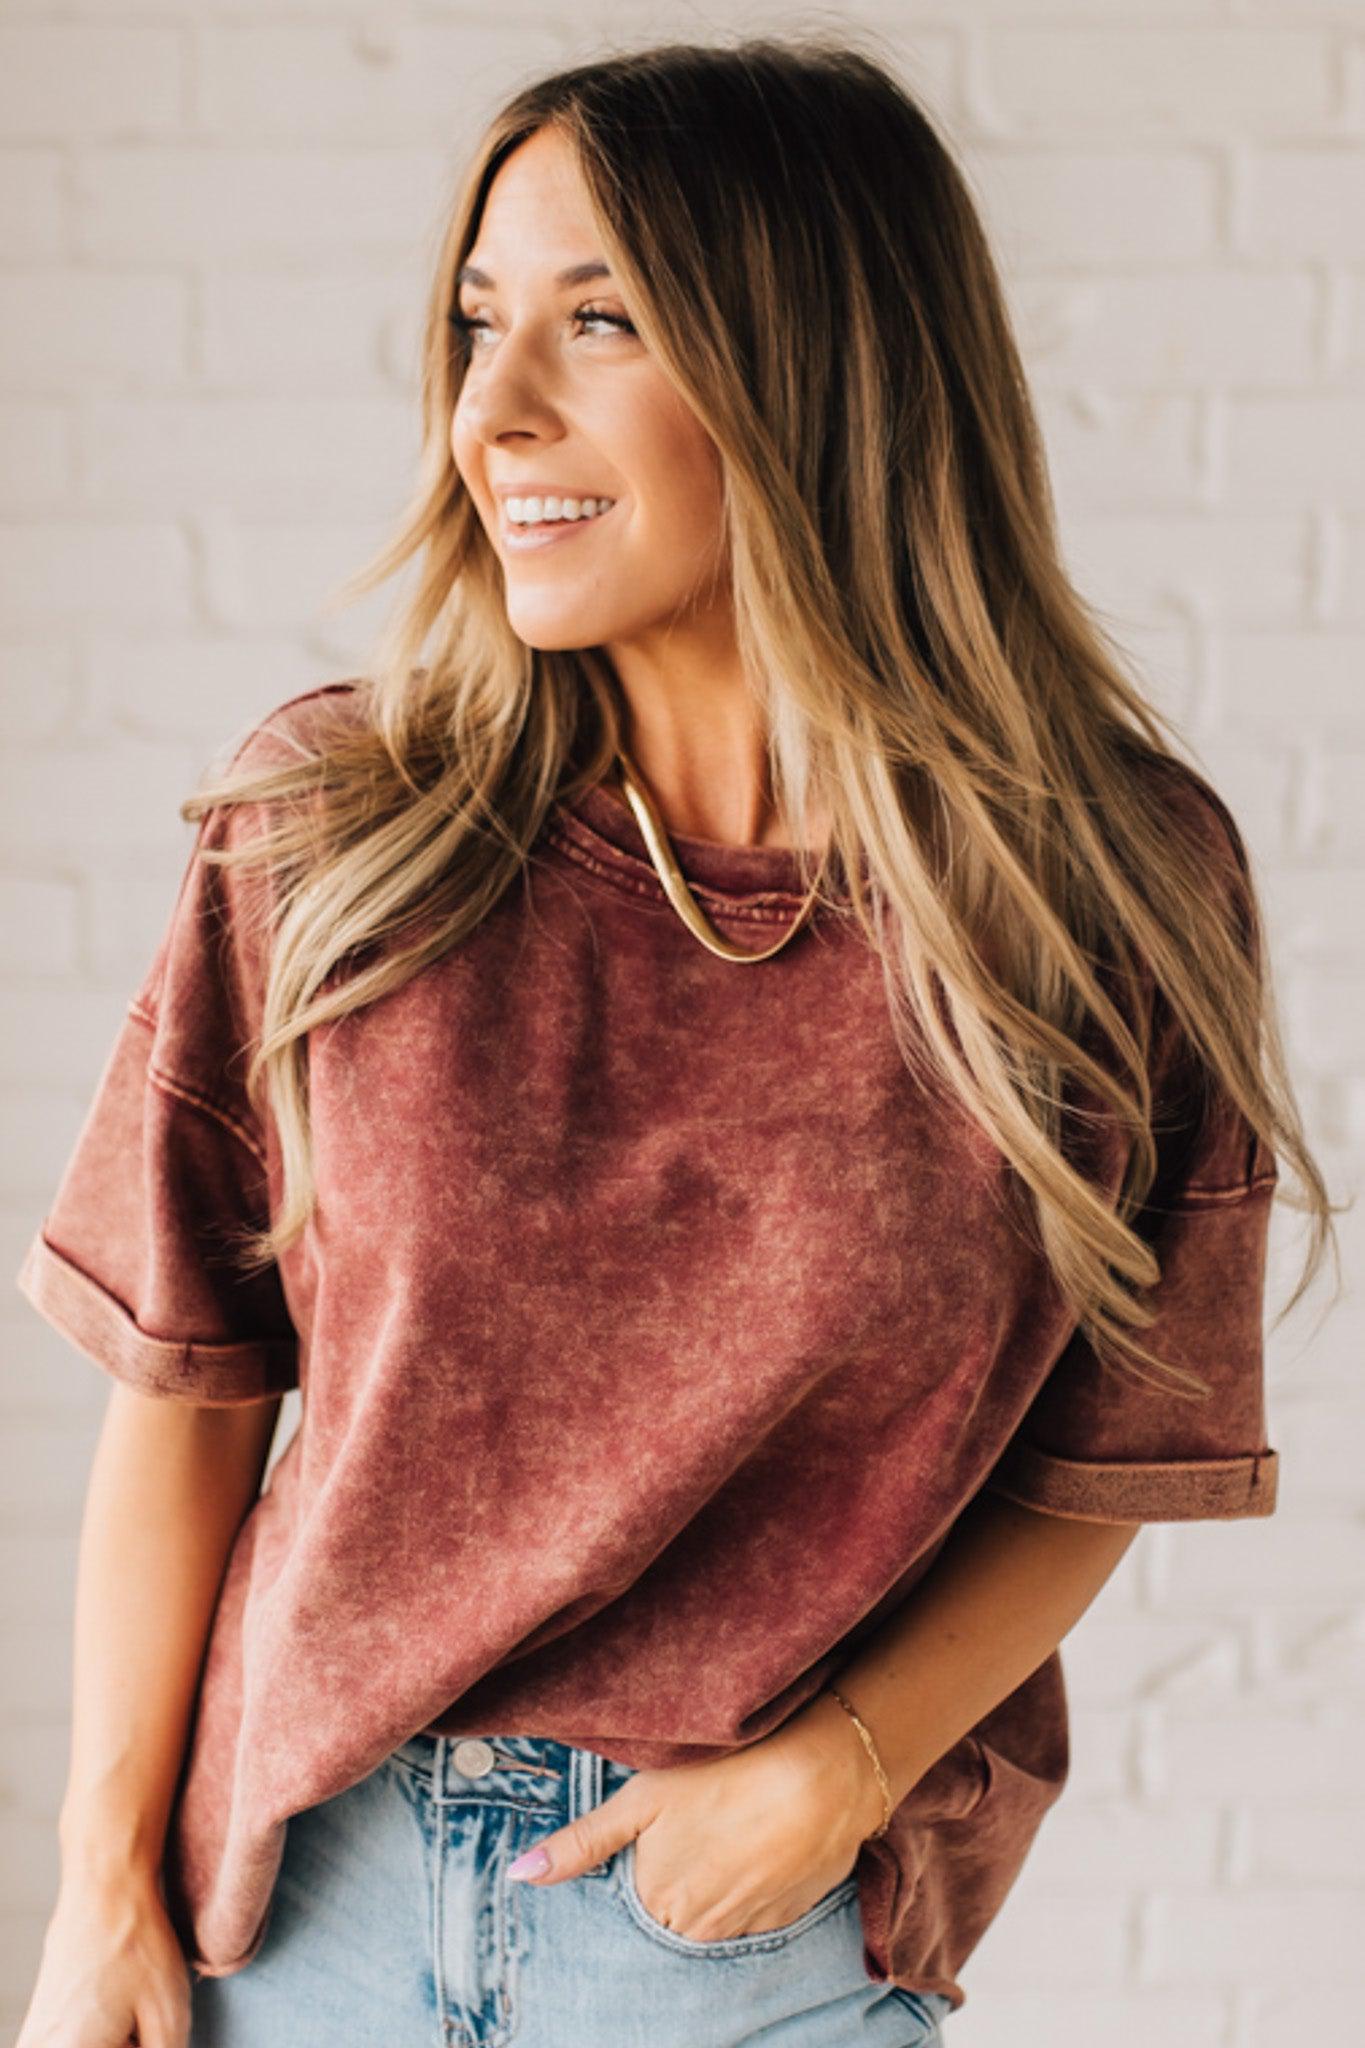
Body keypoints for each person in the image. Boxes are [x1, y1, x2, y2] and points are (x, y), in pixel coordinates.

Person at [13, 33, 1336, 2048]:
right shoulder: (338, 829)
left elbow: (1106, 1448)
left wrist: (850, 1768)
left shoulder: (1093, 886)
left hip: (736, 1947)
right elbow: (191, 1387)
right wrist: (94, 1888)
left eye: (598, 319)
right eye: (475, 324)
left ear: (815, 369)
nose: (491, 414)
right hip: (296, 1918)